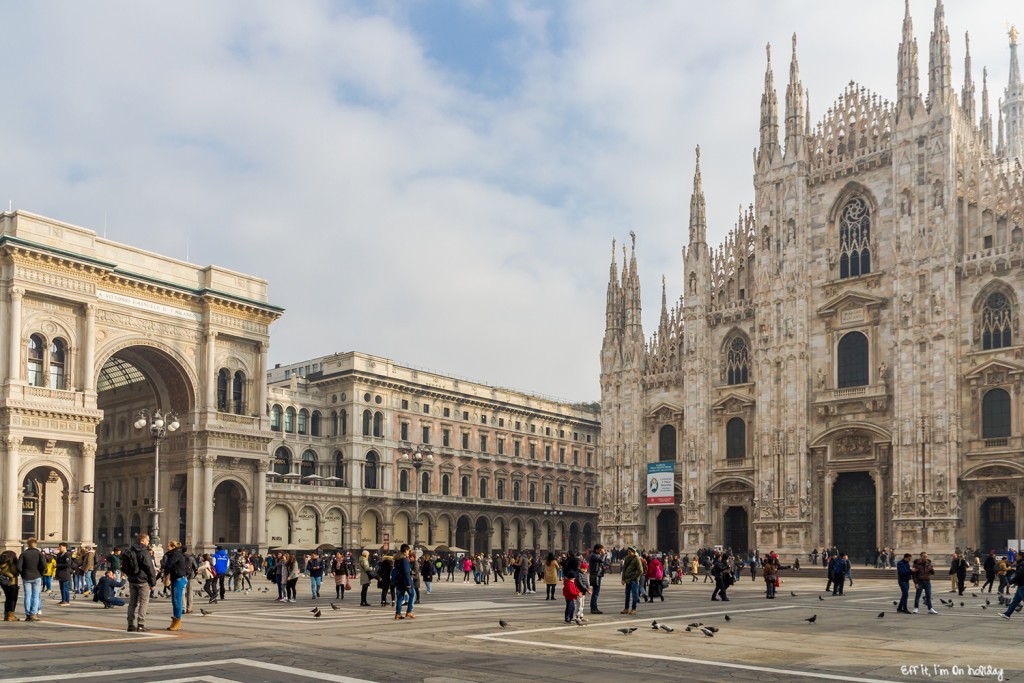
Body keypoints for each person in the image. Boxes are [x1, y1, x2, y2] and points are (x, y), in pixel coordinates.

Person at [124, 533, 157, 632]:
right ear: (142, 540)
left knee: (132, 603)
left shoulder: (131, 550)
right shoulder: (144, 552)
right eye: (147, 540)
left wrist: (130, 575)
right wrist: (153, 582)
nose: (148, 542)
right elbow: (149, 568)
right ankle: (141, 624)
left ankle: (130, 624)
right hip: (142, 581)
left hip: (132, 580)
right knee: (143, 602)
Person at [16, 537, 45, 622]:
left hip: (26, 577)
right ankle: (33, 614)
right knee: (35, 596)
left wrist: (23, 573)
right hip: (37, 576)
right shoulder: (39, 554)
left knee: (27, 596)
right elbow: (44, 565)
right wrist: (41, 574)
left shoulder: (24, 554)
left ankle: (28, 614)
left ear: (28, 544)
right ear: (35, 544)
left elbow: (18, 566)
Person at [164, 541, 189, 631]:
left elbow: (169, 565)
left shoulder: (176, 554)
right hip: (176, 578)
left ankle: (177, 621)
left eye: (168, 546)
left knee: (177, 601)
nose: (167, 547)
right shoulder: (175, 553)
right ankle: (175, 620)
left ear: (173, 546)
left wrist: (166, 575)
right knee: (174, 601)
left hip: (179, 579)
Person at [393, 545, 415, 620]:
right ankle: (409, 611)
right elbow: (406, 572)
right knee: (412, 595)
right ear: (405, 550)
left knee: (400, 597)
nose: (409, 552)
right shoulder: (404, 560)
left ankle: (398, 614)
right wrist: (409, 583)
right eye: (408, 550)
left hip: (398, 581)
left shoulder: (397, 559)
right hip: (405, 581)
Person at [620, 547, 642, 615]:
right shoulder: (627, 558)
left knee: (634, 595)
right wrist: (623, 579)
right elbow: (624, 569)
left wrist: (634, 577)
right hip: (627, 579)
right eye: (628, 551)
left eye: (630, 551)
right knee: (627, 595)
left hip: (633, 580)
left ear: (633, 552)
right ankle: (626, 609)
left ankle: (633, 609)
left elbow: (640, 570)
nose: (628, 553)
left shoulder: (637, 559)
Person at [1, 549, 20, 621]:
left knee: (7, 598)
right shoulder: (11, 562)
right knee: (12, 599)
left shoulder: (1, 562)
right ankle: (11, 615)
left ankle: (6, 615)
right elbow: (15, 571)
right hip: (12, 582)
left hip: (3, 582)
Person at [588, 544, 605, 614]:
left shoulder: (595, 555)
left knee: (596, 592)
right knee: (595, 592)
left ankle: (593, 606)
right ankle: (594, 608)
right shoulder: (593, 555)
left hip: (597, 575)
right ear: (596, 549)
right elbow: (602, 560)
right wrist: (604, 554)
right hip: (595, 575)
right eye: (600, 550)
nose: (601, 551)